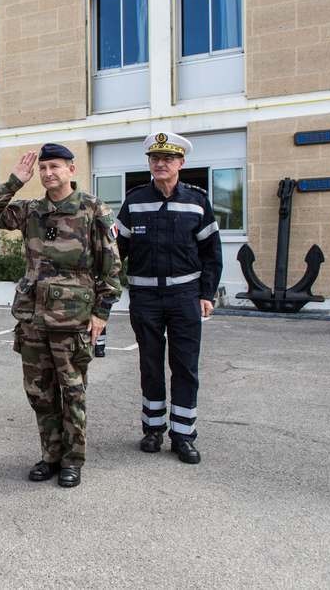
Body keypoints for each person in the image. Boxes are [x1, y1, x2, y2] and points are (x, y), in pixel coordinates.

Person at [0, 144, 121, 488]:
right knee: (40, 393)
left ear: (71, 169)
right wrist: (15, 181)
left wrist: (102, 313)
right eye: (42, 169)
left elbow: (112, 268)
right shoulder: (31, 210)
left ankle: (73, 460)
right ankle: (50, 455)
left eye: (54, 167)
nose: (47, 174)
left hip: (73, 321)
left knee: (72, 393)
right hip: (33, 318)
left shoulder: (92, 210)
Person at [115, 132, 222, 464]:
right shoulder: (134, 200)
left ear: (181, 163)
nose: (160, 164)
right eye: (154, 159)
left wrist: (206, 293)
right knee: (150, 364)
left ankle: (183, 435)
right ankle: (152, 429)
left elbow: (211, 252)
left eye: (168, 159)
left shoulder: (197, 201)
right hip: (145, 296)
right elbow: (117, 251)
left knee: (185, 365)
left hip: (184, 295)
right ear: (149, 163)